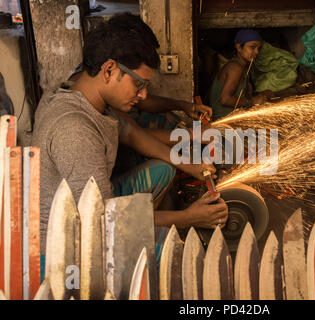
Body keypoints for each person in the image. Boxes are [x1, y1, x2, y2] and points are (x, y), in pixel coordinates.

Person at [31, 13, 228, 268]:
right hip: (69, 245)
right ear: (109, 69)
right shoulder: (75, 130)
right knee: (173, 259)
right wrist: (188, 217)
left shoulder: (85, 91)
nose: (143, 94)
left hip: (92, 207)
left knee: (162, 169)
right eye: (139, 85)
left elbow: (130, 132)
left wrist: (187, 164)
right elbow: (101, 219)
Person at [209, 29, 272, 121]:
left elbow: (240, 97)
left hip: (233, 118)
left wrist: (260, 95)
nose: (257, 52)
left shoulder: (243, 67)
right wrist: (253, 101)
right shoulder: (235, 68)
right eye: (252, 47)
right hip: (223, 122)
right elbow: (225, 100)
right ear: (239, 47)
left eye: (259, 48)